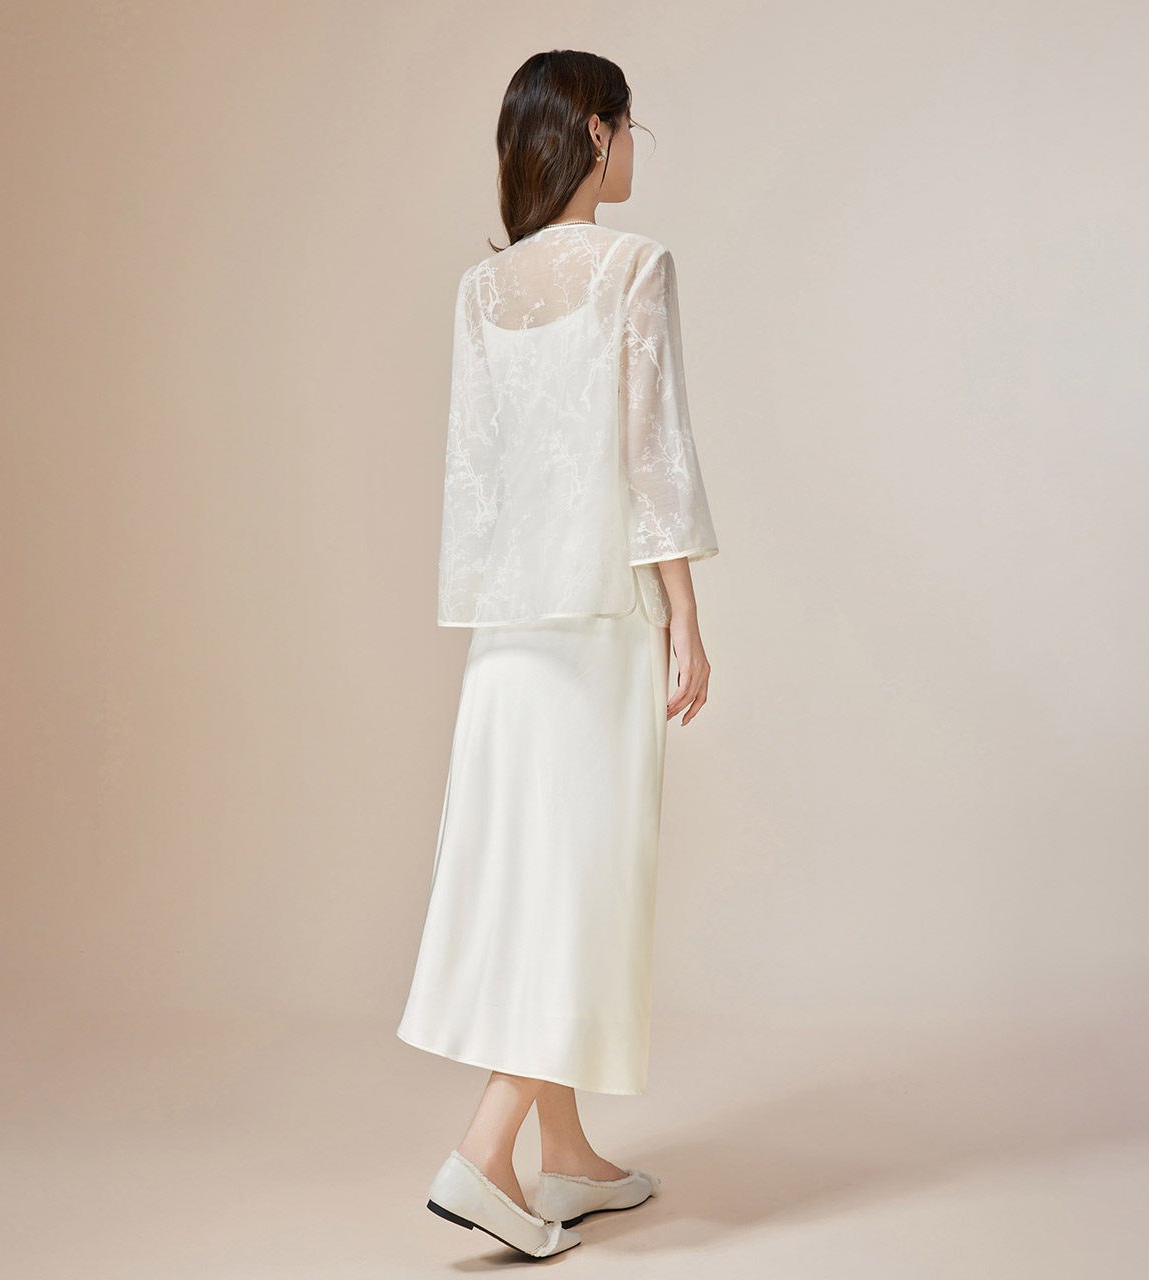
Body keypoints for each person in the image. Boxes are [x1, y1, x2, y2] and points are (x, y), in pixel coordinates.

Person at [396, 49, 720, 1259]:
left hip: (507, 634)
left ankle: (567, 1156)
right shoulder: (633, 266)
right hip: (594, 625)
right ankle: (484, 1153)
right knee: (580, 884)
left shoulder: (482, 292)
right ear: (594, 131)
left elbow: (474, 475)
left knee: (533, 876)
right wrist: (684, 617)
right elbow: (652, 455)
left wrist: (493, 606)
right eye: (629, 127)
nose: (635, 147)